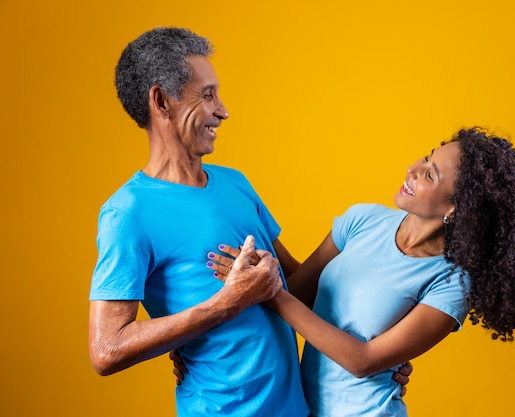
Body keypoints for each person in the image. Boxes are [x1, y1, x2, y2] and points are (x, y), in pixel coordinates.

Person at [89, 26, 410, 416]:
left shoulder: (234, 183)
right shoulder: (128, 213)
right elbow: (107, 349)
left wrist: (379, 352)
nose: (222, 110)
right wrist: (224, 305)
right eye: (206, 95)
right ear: (161, 101)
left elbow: (295, 288)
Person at [205, 127, 515, 416]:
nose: (412, 169)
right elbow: (298, 293)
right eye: (425, 157)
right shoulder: (362, 219)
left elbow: (363, 362)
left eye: (430, 173)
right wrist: (258, 237)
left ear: (456, 208)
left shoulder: (450, 283)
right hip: (298, 408)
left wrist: (269, 289)